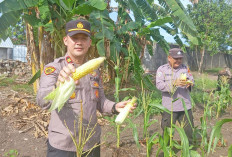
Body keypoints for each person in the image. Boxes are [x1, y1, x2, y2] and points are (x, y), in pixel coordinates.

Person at [37, 19, 136, 157]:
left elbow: (100, 102)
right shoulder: (54, 68)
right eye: (74, 38)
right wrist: (58, 86)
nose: (79, 42)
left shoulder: (94, 71)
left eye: (84, 38)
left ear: (89, 43)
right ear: (66, 40)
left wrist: (115, 107)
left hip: (91, 143)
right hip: (63, 145)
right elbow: (42, 101)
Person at [156, 48, 194, 144]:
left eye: (180, 58)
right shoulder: (162, 69)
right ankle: (167, 151)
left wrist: (189, 83)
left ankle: (188, 150)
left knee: (189, 131)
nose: (178, 61)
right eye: (175, 58)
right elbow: (159, 85)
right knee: (167, 133)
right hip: (169, 108)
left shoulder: (185, 68)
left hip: (185, 106)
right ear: (169, 58)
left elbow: (192, 80)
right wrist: (174, 83)